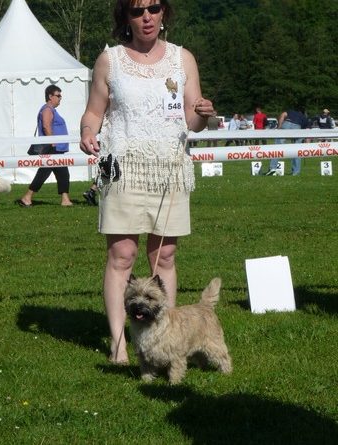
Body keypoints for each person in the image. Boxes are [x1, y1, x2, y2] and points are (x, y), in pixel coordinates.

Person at [79, 0, 214, 364]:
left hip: (168, 168)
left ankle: (164, 340)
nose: (147, 17)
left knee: (164, 256)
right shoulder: (110, 60)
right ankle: (119, 344)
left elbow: (192, 119)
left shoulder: (182, 59)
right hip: (123, 167)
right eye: (138, 11)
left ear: (163, 12)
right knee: (122, 255)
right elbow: (94, 111)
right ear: (125, 17)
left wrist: (203, 113)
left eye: (153, 8)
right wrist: (88, 132)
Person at [17, 85, 73, 207]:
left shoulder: (51, 109)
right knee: (44, 172)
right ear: (50, 96)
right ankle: (27, 197)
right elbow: (46, 126)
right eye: (58, 95)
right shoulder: (47, 109)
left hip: (56, 149)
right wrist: (53, 142)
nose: (60, 98)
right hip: (52, 148)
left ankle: (65, 199)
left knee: (62, 173)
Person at [265, 107, 309, 176]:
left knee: (277, 148)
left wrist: (279, 128)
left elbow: (282, 115)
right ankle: (296, 172)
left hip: (287, 124)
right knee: (297, 151)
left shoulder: (291, 111)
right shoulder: (305, 118)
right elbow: (306, 131)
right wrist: (306, 144)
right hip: (298, 128)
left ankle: (272, 168)